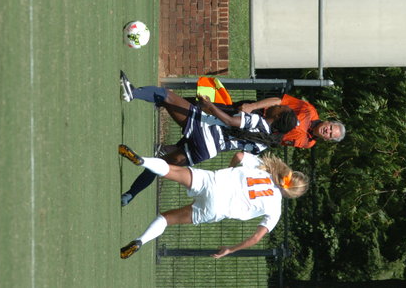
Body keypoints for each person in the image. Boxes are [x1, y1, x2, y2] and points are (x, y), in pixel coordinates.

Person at [119, 71, 297, 206]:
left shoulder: (258, 121)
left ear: (278, 116)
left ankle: (132, 93)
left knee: (166, 95)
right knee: (160, 166)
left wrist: (210, 106)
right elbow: (240, 153)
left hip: (204, 129)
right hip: (207, 151)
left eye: (280, 108)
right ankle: (129, 195)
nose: (277, 106)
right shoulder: (264, 144)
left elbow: (230, 121)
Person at [118, 144, 309, 259]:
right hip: (217, 209)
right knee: (166, 219)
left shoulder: (265, 169)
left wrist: (230, 170)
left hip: (214, 181)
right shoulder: (275, 209)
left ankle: (142, 160)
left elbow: (239, 155)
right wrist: (230, 250)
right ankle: (140, 241)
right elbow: (256, 238)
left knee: (170, 169)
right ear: (291, 194)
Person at [209, 94, 346, 149]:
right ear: (328, 122)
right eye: (330, 127)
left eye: (330, 134)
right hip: (257, 114)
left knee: (215, 136)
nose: (327, 131)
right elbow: (279, 101)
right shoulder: (308, 110)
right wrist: (253, 106)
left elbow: (279, 140)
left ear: (327, 139)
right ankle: (199, 105)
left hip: (257, 133)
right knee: (216, 111)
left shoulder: (308, 143)